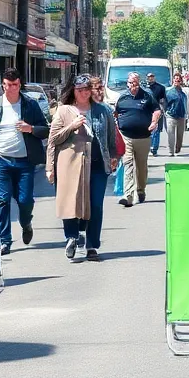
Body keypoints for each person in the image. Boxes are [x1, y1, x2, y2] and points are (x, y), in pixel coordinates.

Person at [0, 69, 51, 255]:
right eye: (8, 85)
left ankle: (26, 223)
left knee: (25, 201)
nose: (11, 88)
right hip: (0, 160)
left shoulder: (30, 105)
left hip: (25, 162)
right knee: (2, 201)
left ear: (20, 85)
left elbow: (45, 130)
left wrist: (30, 128)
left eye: (15, 85)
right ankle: (5, 241)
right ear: (2, 85)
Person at [47, 74, 118, 262]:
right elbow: (53, 140)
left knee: (95, 205)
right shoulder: (64, 111)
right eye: (80, 90)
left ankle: (92, 245)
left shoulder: (103, 111)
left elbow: (111, 137)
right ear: (74, 91)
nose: (84, 93)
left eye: (87, 89)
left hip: (97, 165)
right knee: (71, 203)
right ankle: (71, 236)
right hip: (71, 165)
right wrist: (71, 126)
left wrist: (113, 156)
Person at [114, 72, 160, 207]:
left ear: (139, 83)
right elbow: (115, 113)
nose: (133, 86)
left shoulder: (147, 96)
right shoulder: (122, 97)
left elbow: (157, 110)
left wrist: (154, 122)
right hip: (125, 136)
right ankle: (128, 195)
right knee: (127, 164)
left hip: (143, 137)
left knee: (141, 166)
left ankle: (140, 190)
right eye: (130, 83)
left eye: (135, 83)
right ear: (127, 83)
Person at [162, 73, 189, 155]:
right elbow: (164, 103)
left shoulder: (184, 92)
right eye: (175, 79)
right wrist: (165, 112)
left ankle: (178, 148)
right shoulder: (168, 91)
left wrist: (187, 114)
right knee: (171, 134)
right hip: (171, 116)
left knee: (180, 135)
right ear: (173, 80)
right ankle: (171, 151)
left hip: (181, 116)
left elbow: (186, 103)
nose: (177, 80)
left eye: (178, 79)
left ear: (181, 81)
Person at [145, 72, 168, 156]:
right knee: (147, 130)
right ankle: (148, 146)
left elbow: (163, 100)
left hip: (157, 111)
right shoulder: (143, 88)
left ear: (154, 78)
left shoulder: (160, 88)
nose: (150, 78)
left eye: (152, 77)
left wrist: (162, 109)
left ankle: (154, 148)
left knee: (156, 130)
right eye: (149, 77)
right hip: (146, 111)